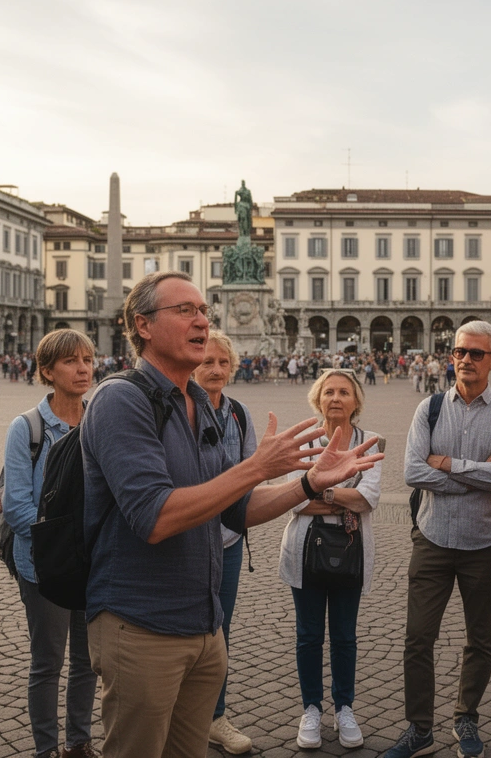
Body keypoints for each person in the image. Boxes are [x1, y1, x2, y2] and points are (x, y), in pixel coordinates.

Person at [83, 272, 382, 758]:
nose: (202, 320)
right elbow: (154, 516)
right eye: (184, 311)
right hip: (140, 625)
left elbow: (237, 510)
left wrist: (308, 483)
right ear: (142, 325)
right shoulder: (121, 400)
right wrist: (256, 467)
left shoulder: (197, 403)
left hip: (204, 626)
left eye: (203, 310)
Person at [385, 321, 491, 758]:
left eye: (476, 354)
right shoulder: (428, 409)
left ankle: (466, 717)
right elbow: (412, 472)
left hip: (484, 543)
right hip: (432, 538)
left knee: (480, 639)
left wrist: (446, 464)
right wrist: (475, 473)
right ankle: (419, 728)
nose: (465, 359)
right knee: (417, 639)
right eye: (460, 351)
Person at [2, 329, 100, 758]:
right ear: (47, 370)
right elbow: (16, 507)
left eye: (88, 360)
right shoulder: (27, 428)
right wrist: (67, 546)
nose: (83, 369)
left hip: (95, 566)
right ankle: (46, 748)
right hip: (45, 566)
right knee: (47, 664)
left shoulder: (102, 421)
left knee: (89, 661)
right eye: (71, 361)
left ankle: (78, 742)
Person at [279, 368, 383, 751]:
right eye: (329, 392)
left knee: (344, 636)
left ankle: (344, 707)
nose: (336, 398)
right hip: (304, 549)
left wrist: (319, 490)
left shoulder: (370, 444)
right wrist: (340, 494)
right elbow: (293, 499)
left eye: (343, 392)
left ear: (356, 400)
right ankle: (310, 708)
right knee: (308, 635)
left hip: (351, 549)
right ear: (317, 399)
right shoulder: (304, 441)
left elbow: (368, 499)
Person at [191, 330, 258, 755]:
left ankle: (215, 716)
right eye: (207, 362)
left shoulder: (240, 414)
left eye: (222, 363)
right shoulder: (176, 412)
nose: (216, 370)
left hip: (228, 541)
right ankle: (182, 716)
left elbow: (253, 474)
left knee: (219, 630)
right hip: (183, 542)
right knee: (177, 630)